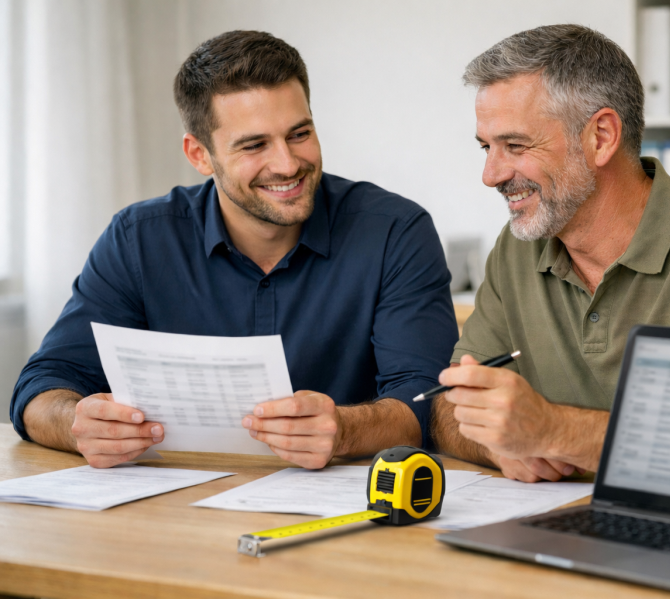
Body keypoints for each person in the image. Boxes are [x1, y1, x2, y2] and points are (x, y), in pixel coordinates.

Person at [11, 30, 458, 469]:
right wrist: (77, 424)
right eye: (254, 145)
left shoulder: (395, 231)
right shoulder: (138, 239)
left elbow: (427, 400)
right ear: (199, 155)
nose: (287, 164)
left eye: (299, 133)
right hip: (172, 500)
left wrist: (345, 429)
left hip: (345, 501)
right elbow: (43, 385)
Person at [431, 25, 670, 483]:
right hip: (566, 517)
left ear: (601, 136)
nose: (491, 174)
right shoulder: (516, 250)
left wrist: (556, 430)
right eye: (487, 147)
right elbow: (448, 409)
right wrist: (501, 448)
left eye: (515, 146)